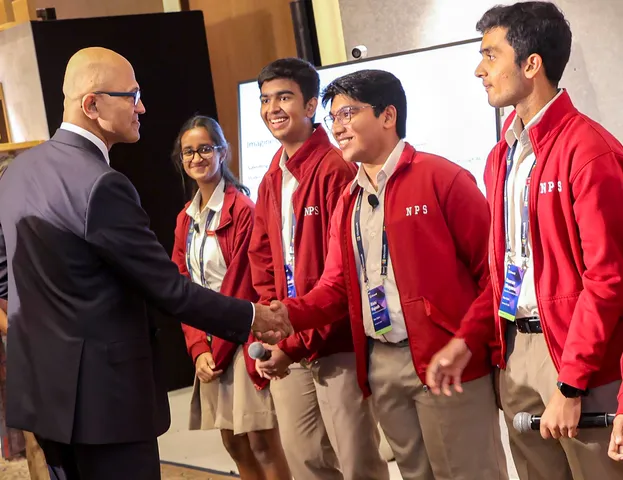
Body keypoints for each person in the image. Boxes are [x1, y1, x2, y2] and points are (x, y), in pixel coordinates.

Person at [0, 47, 291, 480]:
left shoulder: (18, 172)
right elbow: (166, 287)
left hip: (45, 395)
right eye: (131, 94)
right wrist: (253, 316)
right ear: (93, 105)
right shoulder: (101, 184)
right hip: (105, 401)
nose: (142, 106)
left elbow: (3, 277)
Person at [274, 69, 507, 480]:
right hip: (382, 364)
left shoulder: (442, 177)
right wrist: (285, 316)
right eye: (334, 118)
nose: (339, 127)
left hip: (447, 360)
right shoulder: (350, 199)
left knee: (470, 473)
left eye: (348, 113)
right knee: (415, 474)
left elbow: (492, 272)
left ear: (387, 115)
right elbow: (336, 286)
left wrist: (466, 341)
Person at [427, 2, 623, 478]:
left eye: (490, 56)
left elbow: (609, 279)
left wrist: (572, 384)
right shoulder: (502, 157)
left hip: (579, 359)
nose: (480, 70)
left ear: (531, 63)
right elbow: (504, 270)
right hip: (515, 351)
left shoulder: (590, 150)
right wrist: (465, 341)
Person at [248, 58, 389, 480]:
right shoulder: (272, 176)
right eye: (265, 99)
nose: (273, 108)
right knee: (306, 462)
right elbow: (263, 262)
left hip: (336, 342)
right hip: (288, 341)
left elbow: (343, 274)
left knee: (357, 462)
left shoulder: (334, 168)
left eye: (284, 97)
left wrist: (290, 336)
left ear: (310, 106)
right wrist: (274, 328)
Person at [170, 115, 291, 479]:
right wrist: (197, 348)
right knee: (234, 444)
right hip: (209, 343)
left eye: (205, 148)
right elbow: (182, 289)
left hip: (242, 341)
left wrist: (215, 350)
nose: (197, 158)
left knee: (261, 443)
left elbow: (240, 286)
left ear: (223, 152)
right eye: (189, 151)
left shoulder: (242, 210)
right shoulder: (185, 219)